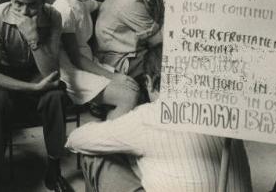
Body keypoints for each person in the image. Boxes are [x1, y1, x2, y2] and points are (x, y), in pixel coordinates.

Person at [66, 49, 253, 192]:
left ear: (148, 81)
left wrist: (113, 125)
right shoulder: (223, 110)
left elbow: (75, 139)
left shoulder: (148, 116)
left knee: (94, 154)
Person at [0, 0, 73, 191]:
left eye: (32, 4)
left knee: (55, 95)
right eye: (17, 3)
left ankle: (54, 168)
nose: (24, 11)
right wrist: (32, 88)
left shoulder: (53, 16)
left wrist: (33, 39)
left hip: (38, 72)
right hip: (6, 77)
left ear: (44, 0)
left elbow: (51, 72)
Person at [53, 0, 139, 119]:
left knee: (133, 86)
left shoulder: (81, 0)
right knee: (128, 96)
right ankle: (106, 139)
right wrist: (112, 76)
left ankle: (111, 130)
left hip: (88, 61)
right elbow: (76, 59)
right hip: (72, 71)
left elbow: (103, 5)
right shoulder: (64, 9)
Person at [94, 0, 165, 82]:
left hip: (136, 50)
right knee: (167, 63)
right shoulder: (131, 0)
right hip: (120, 59)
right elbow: (157, 41)